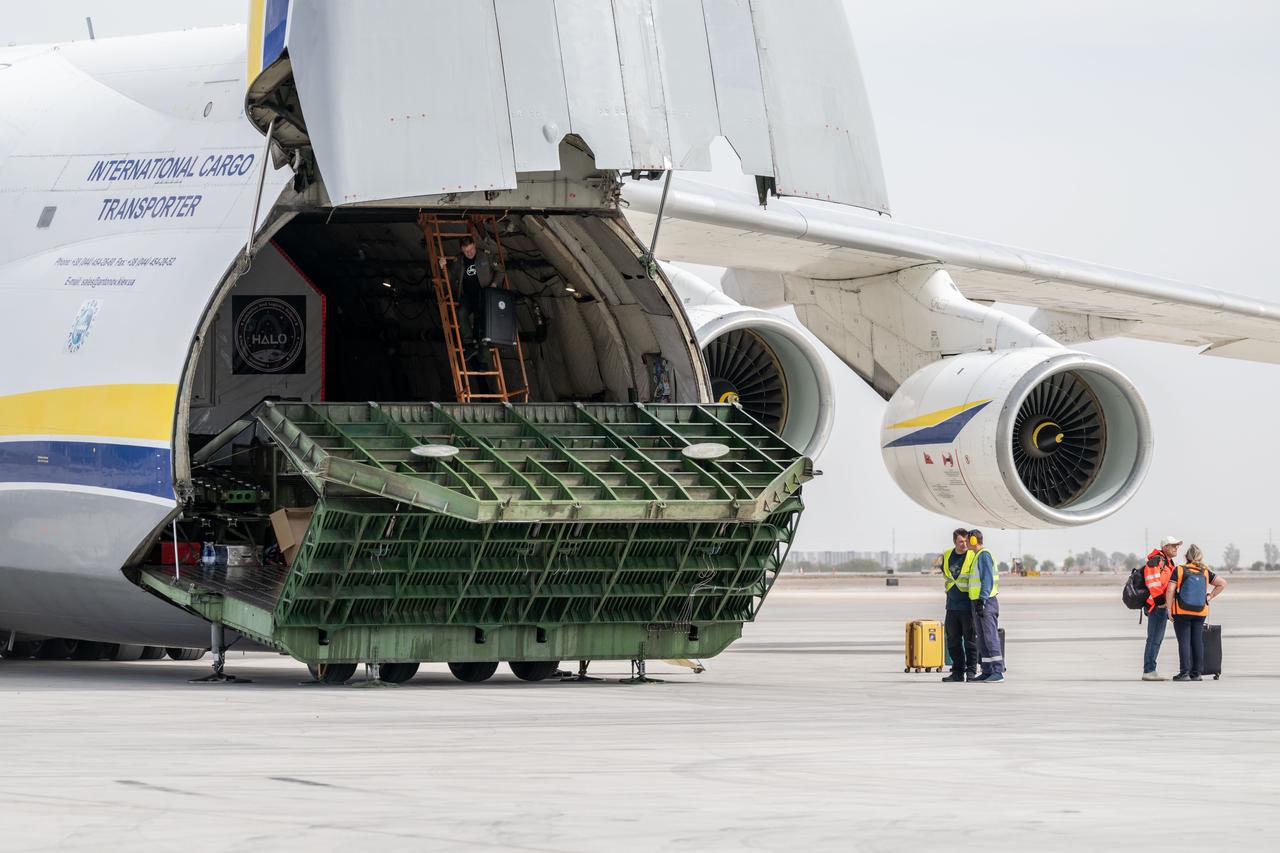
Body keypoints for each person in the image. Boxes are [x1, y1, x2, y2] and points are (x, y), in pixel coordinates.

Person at [1165, 544, 1226, 681]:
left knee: (1184, 642)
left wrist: (1169, 609)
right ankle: (1197, 673)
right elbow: (1222, 583)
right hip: (1200, 611)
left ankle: (1184, 673)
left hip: (1181, 611)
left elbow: (1170, 590)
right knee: (1197, 641)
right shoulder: (1205, 571)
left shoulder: (1179, 569)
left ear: (1186, 557)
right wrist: (1210, 596)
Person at [437, 234, 499, 352]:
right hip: (468, 296)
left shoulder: (486, 255)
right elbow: (450, 277)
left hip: (484, 295)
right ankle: (468, 343)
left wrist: (494, 284)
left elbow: (500, 270)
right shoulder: (458, 260)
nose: (469, 253)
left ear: (474, 245)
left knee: (480, 318)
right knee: (461, 313)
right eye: (466, 251)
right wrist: (443, 267)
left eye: (471, 249)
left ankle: (481, 343)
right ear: (462, 249)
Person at [940, 528, 979, 682]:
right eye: (961, 542)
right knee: (953, 641)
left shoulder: (973, 554)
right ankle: (957, 672)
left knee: (970, 641)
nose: (964, 544)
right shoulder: (947, 554)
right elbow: (946, 574)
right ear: (954, 542)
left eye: (966, 541)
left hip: (968, 606)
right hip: (951, 606)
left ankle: (971, 672)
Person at [1141, 535, 1180, 681]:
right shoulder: (1156, 560)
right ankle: (1149, 671)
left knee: (1156, 639)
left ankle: (1150, 670)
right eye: (1173, 546)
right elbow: (1152, 582)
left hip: (1162, 605)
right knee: (1154, 639)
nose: (1176, 548)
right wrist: (1160, 602)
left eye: (1177, 546)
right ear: (1165, 547)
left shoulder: (1168, 563)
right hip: (1156, 606)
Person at [967, 529, 1003, 683]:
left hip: (986, 602)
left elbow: (987, 580)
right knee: (982, 638)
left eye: (968, 540)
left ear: (974, 540)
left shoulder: (984, 555)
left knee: (990, 637)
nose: (966, 543)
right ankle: (987, 670)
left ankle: (998, 671)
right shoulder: (977, 556)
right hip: (978, 602)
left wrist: (981, 600)